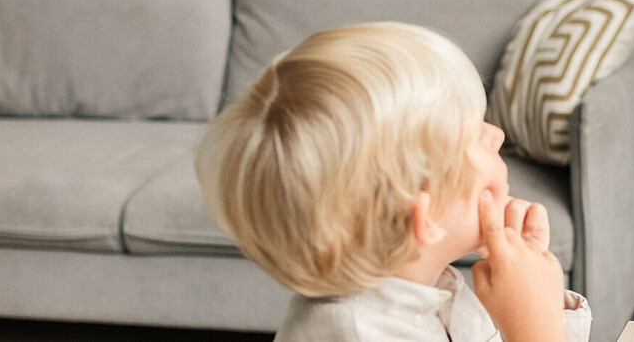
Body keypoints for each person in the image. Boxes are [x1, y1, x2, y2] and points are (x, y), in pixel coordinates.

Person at [195, 22, 588, 342]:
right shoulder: (356, 334)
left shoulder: (430, 287)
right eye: (472, 135)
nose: (496, 135)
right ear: (427, 214)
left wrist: (541, 303)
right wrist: (534, 330)